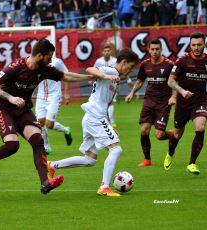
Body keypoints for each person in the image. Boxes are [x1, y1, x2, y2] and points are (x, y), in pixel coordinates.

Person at [0, 39, 94, 194]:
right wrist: (10, 97)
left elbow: (66, 77)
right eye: (48, 58)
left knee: (38, 141)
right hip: (4, 110)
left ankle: (45, 183)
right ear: (39, 55)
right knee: (13, 145)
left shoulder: (44, 69)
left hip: (24, 111)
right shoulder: (15, 67)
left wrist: (90, 77)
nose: (51, 61)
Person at [47, 48, 139, 197]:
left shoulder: (116, 78)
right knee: (116, 150)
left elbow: (107, 104)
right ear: (124, 62)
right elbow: (89, 69)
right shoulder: (111, 71)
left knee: (89, 159)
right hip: (95, 117)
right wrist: (105, 76)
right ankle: (104, 187)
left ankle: (52, 165)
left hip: (94, 117)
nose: (131, 69)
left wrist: (110, 125)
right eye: (131, 66)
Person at [164, 32, 207, 174]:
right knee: (177, 134)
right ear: (190, 45)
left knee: (200, 128)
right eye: (193, 45)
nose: (196, 47)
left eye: (199, 45)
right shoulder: (182, 61)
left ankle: (192, 163)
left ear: (205, 44)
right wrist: (182, 91)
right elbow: (170, 81)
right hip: (183, 103)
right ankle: (170, 153)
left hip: (200, 100)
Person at [125, 39, 175, 167]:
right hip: (149, 101)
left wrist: (173, 97)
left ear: (161, 50)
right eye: (152, 49)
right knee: (144, 131)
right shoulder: (145, 64)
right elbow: (140, 81)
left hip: (163, 103)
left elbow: (175, 83)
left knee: (159, 135)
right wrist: (131, 93)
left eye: (157, 49)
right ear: (148, 49)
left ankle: (172, 134)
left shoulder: (169, 65)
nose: (154, 51)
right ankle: (147, 160)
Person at [36, 57, 72, 155]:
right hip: (40, 96)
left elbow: (67, 75)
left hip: (54, 96)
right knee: (40, 122)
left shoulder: (57, 62)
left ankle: (66, 130)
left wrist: (67, 93)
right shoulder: (37, 62)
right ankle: (46, 147)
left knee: (49, 124)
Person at [94, 43, 133, 128]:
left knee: (110, 103)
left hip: (113, 83)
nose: (107, 52)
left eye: (108, 51)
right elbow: (93, 70)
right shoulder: (99, 61)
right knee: (102, 102)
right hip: (102, 84)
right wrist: (94, 78)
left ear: (111, 52)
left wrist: (128, 79)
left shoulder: (115, 60)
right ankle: (105, 121)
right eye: (105, 51)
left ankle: (110, 122)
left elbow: (123, 71)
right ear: (102, 52)